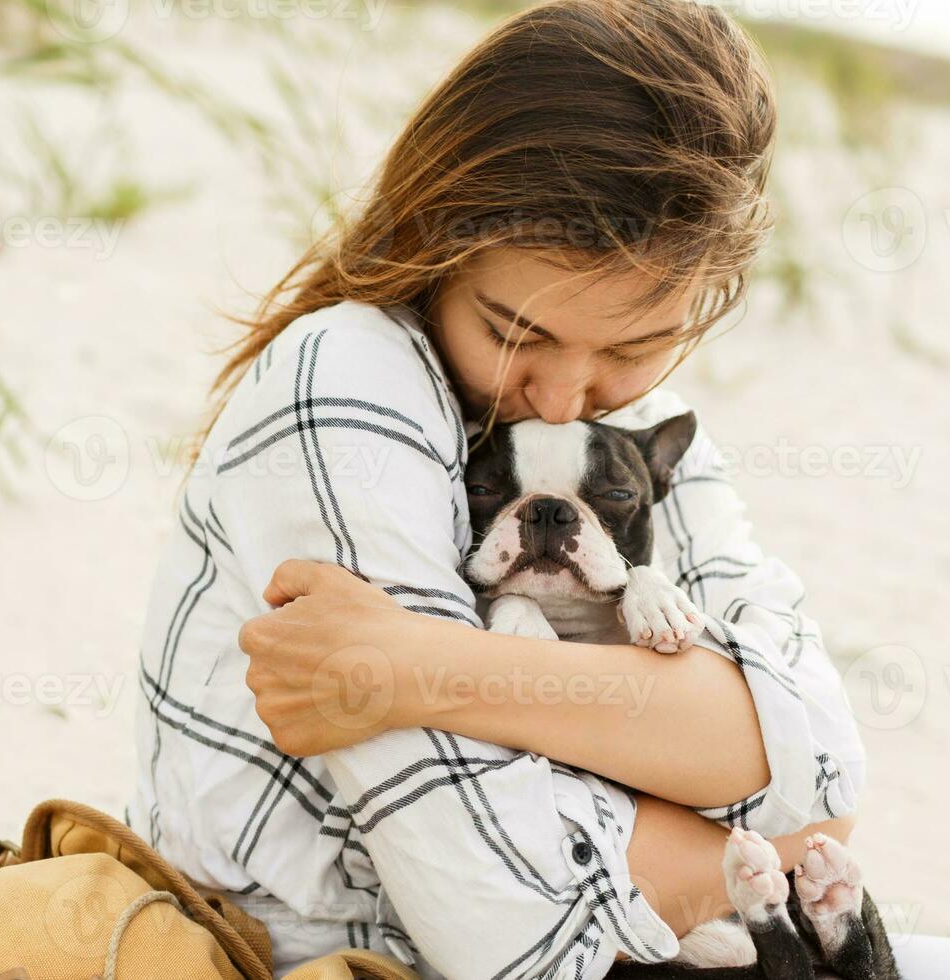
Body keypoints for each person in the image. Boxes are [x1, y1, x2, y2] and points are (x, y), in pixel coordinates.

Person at [129, 2, 864, 976]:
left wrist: (427, 666)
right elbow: (508, 925)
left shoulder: (637, 432)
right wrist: (713, 793)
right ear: (431, 235)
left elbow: (820, 780)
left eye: (634, 347)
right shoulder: (346, 381)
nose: (563, 397)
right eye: (515, 333)